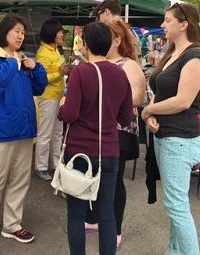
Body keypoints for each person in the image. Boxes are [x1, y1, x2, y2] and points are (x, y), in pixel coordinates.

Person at [58, 22, 133, 255]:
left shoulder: (81, 72)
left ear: (86, 44)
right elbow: (125, 117)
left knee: (77, 214)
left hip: (79, 153)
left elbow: (69, 114)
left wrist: (62, 106)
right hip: (110, 150)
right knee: (107, 213)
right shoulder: (120, 74)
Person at [141, 3, 200, 255]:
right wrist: (151, 115)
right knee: (175, 204)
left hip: (179, 139)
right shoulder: (173, 53)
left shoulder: (195, 56)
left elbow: (183, 100)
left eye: (167, 20)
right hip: (165, 135)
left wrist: (148, 111)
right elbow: (161, 92)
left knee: (177, 206)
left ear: (184, 24)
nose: (162, 24)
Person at [0, 15, 48, 244]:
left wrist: (36, 67)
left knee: (20, 180)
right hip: (1, 131)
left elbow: (40, 87)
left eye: (22, 32)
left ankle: (12, 224)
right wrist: (11, 62)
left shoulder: (24, 60)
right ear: (4, 32)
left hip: (24, 129)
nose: (20, 36)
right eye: (16, 31)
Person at [84, 18, 146, 248]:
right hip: (94, 130)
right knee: (93, 175)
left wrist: (107, 104)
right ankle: (92, 219)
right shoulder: (94, 63)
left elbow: (139, 99)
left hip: (119, 131)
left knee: (114, 181)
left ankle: (116, 229)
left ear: (118, 40)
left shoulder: (128, 65)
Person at [35, 19, 71, 181]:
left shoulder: (56, 50)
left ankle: (56, 163)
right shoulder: (43, 53)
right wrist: (60, 73)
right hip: (48, 97)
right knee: (45, 133)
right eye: (59, 32)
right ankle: (41, 167)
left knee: (57, 133)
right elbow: (40, 78)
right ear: (51, 33)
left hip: (59, 96)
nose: (62, 34)